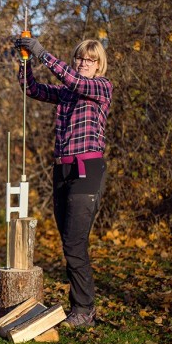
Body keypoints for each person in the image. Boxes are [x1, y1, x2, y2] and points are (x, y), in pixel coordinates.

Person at [14, 36, 112, 328]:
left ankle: (84, 309)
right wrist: (25, 61)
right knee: (68, 242)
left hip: (88, 169)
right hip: (62, 171)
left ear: (99, 65)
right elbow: (31, 89)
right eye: (80, 58)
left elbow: (75, 81)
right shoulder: (66, 92)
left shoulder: (101, 87)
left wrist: (42, 53)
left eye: (90, 60)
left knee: (74, 244)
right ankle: (82, 308)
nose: (84, 64)